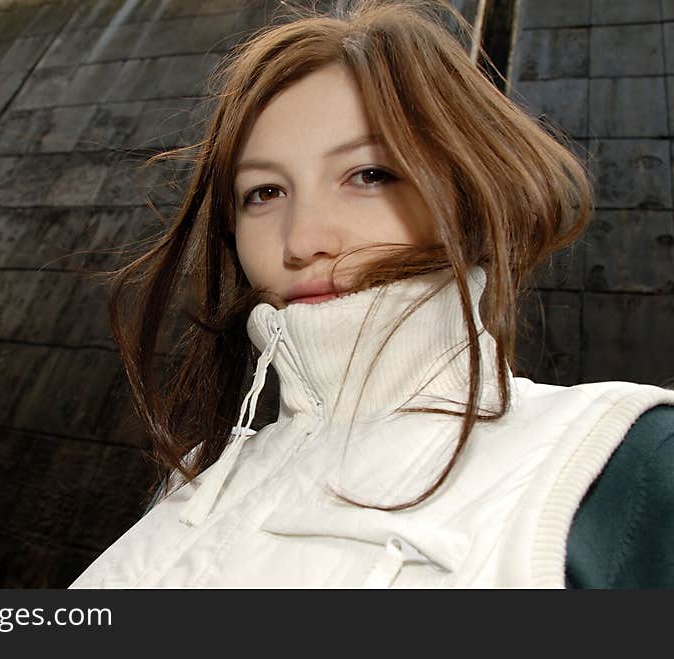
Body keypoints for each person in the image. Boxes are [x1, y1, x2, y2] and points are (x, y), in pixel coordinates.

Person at [69, 0, 674, 588]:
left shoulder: (626, 460)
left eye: (370, 175)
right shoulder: (200, 474)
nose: (302, 241)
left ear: (465, 189)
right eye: (264, 193)